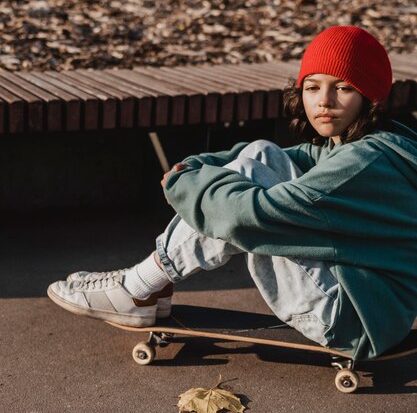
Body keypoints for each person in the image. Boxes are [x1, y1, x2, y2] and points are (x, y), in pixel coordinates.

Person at [47, 26, 417, 360]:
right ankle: (148, 288)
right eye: (313, 86)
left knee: (245, 199)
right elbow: (281, 157)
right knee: (260, 155)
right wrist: (192, 167)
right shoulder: (372, 142)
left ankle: (139, 286)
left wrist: (187, 186)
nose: (324, 101)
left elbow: (249, 216)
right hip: (372, 307)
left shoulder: (362, 161)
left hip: (351, 319)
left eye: (343, 87)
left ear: (372, 97)